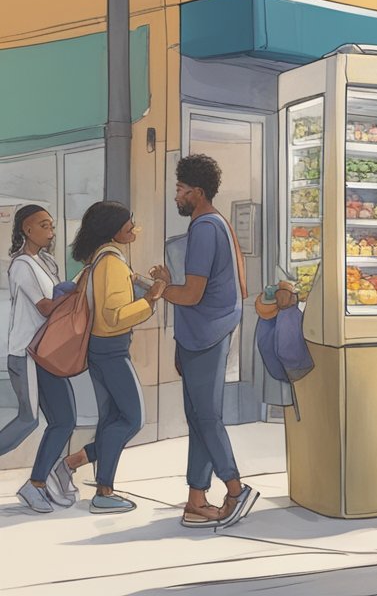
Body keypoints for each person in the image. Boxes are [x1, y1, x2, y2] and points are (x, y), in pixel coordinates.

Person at [151, 155, 257, 529]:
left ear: (196, 192)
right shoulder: (215, 224)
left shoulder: (204, 228)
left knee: (207, 416)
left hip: (206, 334)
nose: (176, 196)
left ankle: (235, 488)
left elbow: (193, 293)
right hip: (203, 333)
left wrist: (160, 289)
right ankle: (197, 499)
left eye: (180, 190)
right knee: (198, 417)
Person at [53, 202, 165, 514]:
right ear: (112, 230)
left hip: (96, 350)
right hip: (112, 349)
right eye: (128, 225)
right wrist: (151, 299)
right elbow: (114, 316)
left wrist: (147, 283)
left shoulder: (98, 261)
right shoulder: (112, 263)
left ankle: (102, 488)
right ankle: (75, 466)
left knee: (111, 419)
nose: (134, 229)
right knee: (132, 419)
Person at [8, 204, 80, 512]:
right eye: (44, 225)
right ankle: (36, 484)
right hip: (27, 352)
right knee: (29, 420)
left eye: (51, 225)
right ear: (27, 229)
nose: (51, 230)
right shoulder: (22, 265)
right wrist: (78, 291)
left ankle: (36, 483)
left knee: (64, 419)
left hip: (47, 351)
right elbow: (45, 307)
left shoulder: (47, 261)